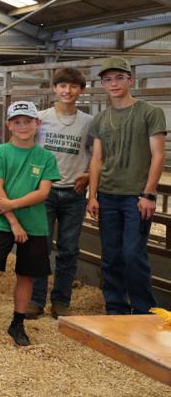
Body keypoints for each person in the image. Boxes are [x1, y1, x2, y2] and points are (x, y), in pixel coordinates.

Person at [0, 101, 59, 347]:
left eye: (28, 121)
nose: (23, 126)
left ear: (37, 124)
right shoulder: (0, 153)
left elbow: (43, 193)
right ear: (9, 125)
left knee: (26, 274)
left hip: (35, 224)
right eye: (17, 122)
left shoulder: (45, 157)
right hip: (1, 221)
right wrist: (12, 220)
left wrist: (13, 205)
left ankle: (18, 323)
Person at [87, 57, 166, 315]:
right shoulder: (100, 119)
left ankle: (144, 309)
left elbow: (158, 155)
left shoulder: (150, 113)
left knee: (133, 254)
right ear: (102, 84)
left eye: (119, 78)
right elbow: (97, 158)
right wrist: (93, 195)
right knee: (111, 256)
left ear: (130, 80)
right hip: (108, 195)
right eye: (108, 79)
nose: (114, 83)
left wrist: (149, 193)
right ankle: (116, 307)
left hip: (136, 197)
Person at [30, 68, 92, 319]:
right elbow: (28, 149)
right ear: (54, 88)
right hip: (45, 191)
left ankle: (61, 300)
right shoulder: (41, 118)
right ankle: (36, 299)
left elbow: (98, 155)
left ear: (81, 90)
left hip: (74, 193)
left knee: (68, 249)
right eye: (63, 86)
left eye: (73, 86)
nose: (67, 91)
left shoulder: (89, 122)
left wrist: (89, 175)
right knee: (40, 246)